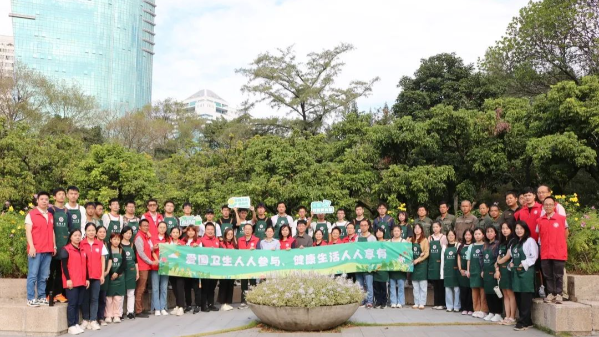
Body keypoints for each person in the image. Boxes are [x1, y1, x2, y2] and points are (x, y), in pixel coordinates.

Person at [25, 191, 55, 307]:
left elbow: (52, 231)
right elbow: (28, 231)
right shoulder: (31, 214)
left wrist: (54, 246)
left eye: (46, 199)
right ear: (37, 201)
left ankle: (42, 297)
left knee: (44, 276)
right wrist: (31, 246)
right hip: (36, 250)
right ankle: (31, 298)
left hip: (47, 250)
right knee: (33, 275)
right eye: (42, 199)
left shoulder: (50, 215)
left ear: (48, 202)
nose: (44, 201)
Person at [507, 222, 538, 331]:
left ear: (525, 229)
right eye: (516, 228)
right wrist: (510, 263)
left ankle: (523, 322)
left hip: (526, 274)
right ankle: (527, 321)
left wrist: (523, 263)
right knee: (518, 297)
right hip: (516, 273)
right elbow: (512, 257)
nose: (518, 230)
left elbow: (533, 257)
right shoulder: (514, 242)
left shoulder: (530, 241)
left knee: (525, 299)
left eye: (521, 228)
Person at [537, 196, 568, 304]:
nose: (548, 206)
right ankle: (550, 293)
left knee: (558, 274)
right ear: (543, 206)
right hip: (545, 251)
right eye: (546, 204)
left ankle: (559, 294)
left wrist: (560, 244)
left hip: (558, 251)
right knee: (548, 275)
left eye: (550, 204)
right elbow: (539, 235)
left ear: (554, 205)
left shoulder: (561, 218)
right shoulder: (540, 220)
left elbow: (566, 233)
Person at [60, 229, 89, 335]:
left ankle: (76, 323)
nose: (77, 237)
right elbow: (64, 267)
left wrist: (87, 279)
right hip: (71, 281)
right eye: (75, 235)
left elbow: (85, 265)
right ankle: (71, 325)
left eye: (79, 235)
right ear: (71, 237)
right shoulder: (66, 249)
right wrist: (68, 279)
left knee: (78, 303)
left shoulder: (82, 249)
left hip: (81, 281)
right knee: (72, 304)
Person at [47, 187, 72, 304]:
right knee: (50, 271)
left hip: (64, 246)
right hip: (52, 246)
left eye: (63, 194)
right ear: (54, 197)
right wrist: (52, 245)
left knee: (61, 271)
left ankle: (58, 293)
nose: (61, 196)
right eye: (59, 194)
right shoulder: (50, 210)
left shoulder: (67, 212)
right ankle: (48, 294)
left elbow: (71, 229)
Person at [80, 223, 105, 330]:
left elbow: (103, 259)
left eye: (93, 230)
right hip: (84, 276)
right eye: (89, 230)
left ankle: (93, 320)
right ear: (85, 231)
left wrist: (102, 274)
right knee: (85, 299)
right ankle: (85, 319)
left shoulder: (100, 244)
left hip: (96, 275)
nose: (91, 232)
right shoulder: (81, 244)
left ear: (95, 232)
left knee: (95, 298)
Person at [134, 219, 158, 318]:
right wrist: (151, 262)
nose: (146, 227)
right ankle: (138, 310)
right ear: (140, 227)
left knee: (143, 288)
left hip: (146, 266)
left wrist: (153, 248)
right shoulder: (139, 237)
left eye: (147, 226)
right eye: (144, 225)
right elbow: (141, 253)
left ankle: (142, 308)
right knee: (140, 288)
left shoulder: (145, 237)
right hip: (142, 266)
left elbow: (146, 249)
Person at [497, 222, 517, 325]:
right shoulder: (501, 242)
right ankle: (507, 316)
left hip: (508, 269)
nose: (505, 230)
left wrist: (499, 262)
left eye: (507, 228)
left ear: (511, 230)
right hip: (501, 270)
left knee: (510, 293)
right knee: (505, 293)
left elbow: (508, 256)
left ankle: (512, 317)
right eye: (503, 228)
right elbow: (499, 255)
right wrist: (497, 266)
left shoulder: (513, 241)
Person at [481, 226, 503, 322]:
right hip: (486, 271)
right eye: (488, 231)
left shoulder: (497, 244)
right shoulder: (485, 244)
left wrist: (497, 269)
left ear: (495, 233)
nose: (489, 233)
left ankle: (498, 313)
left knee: (495, 293)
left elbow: (498, 258)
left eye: (491, 231)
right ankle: (491, 312)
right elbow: (481, 258)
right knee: (488, 293)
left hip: (493, 272)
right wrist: (482, 269)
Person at [466, 227, 488, 319]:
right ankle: (476, 309)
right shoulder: (471, 246)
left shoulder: (486, 245)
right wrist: (468, 270)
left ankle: (483, 310)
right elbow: (468, 259)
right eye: (475, 234)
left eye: (479, 234)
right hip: (473, 271)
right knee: (474, 291)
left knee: (483, 291)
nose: (477, 236)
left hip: (482, 271)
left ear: (483, 235)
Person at [105, 233, 126, 323]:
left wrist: (117, 273)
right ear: (110, 240)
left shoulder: (122, 250)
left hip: (119, 277)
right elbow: (106, 263)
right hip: (109, 277)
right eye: (114, 239)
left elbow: (124, 264)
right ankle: (108, 315)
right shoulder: (107, 250)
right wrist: (111, 273)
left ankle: (117, 315)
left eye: (118, 239)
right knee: (109, 298)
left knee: (118, 298)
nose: (116, 241)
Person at [238, 223, 260, 309]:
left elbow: (259, 252)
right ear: (243, 230)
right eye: (246, 229)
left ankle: (253, 300)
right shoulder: (239, 239)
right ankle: (243, 301)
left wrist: (255, 250)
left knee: (253, 283)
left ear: (252, 231)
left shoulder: (257, 239)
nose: (247, 231)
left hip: (252, 265)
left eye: (249, 229)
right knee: (243, 283)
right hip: (243, 265)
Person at [200, 222, 221, 312]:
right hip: (205, 268)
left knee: (212, 287)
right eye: (208, 229)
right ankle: (203, 305)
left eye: (212, 229)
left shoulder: (217, 240)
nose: (210, 231)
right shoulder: (201, 240)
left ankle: (211, 304)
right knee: (205, 287)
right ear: (205, 230)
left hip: (215, 268)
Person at [355, 219, 376, 308]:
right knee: (359, 284)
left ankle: (369, 301)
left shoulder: (372, 238)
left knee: (368, 283)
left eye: (365, 225)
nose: (363, 227)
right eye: (362, 225)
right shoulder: (357, 237)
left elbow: (375, 251)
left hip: (368, 265)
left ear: (368, 226)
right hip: (359, 264)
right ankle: (362, 300)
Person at [181, 225, 201, 314]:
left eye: (192, 231)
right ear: (186, 232)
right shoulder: (182, 241)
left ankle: (197, 305)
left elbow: (201, 253)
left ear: (195, 232)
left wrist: (197, 248)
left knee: (196, 287)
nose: (190, 232)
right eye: (189, 231)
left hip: (195, 268)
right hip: (185, 268)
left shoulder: (198, 241)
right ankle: (188, 305)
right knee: (187, 287)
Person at [150, 221, 169, 316]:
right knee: (155, 288)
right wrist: (153, 248)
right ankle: (156, 308)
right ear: (157, 228)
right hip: (155, 266)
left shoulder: (168, 239)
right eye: (160, 227)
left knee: (164, 288)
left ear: (166, 229)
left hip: (165, 267)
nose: (162, 229)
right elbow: (150, 251)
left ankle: (163, 307)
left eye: (164, 227)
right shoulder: (153, 238)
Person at [120, 226, 138, 320]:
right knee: (121, 292)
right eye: (127, 233)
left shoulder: (132, 245)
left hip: (131, 270)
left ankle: (130, 312)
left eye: (130, 233)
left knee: (131, 292)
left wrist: (137, 272)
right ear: (122, 233)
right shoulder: (118, 244)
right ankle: (120, 312)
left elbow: (136, 261)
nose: (128, 235)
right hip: (121, 271)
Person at [428, 221, 447, 310]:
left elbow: (445, 251)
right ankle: (436, 303)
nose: (435, 229)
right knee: (435, 285)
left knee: (441, 284)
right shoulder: (430, 238)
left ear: (440, 228)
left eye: (437, 227)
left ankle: (442, 303)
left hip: (441, 264)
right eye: (434, 227)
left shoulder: (443, 238)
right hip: (432, 264)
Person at [167, 227, 185, 316]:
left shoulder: (182, 243)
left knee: (180, 287)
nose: (175, 234)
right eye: (173, 232)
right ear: (170, 234)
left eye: (177, 232)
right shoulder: (167, 243)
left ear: (180, 234)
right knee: (174, 287)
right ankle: (178, 305)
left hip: (180, 269)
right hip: (171, 269)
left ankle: (182, 307)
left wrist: (181, 248)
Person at [411, 223, 429, 310]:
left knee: (423, 285)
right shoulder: (411, 239)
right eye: (415, 228)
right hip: (413, 265)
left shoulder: (424, 240)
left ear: (421, 229)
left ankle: (422, 303)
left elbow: (426, 253)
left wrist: (418, 260)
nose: (417, 230)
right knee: (415, 285)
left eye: (418, 228)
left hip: (422, 265)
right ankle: (416, 302)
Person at [441, 230, 460, 312]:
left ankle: (457, 306)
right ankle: (449, 306)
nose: (451, 237)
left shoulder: (458, 245)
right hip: (447, 270)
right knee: (448, 289)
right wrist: (442, 273)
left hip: (456, 270)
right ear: (447, 237)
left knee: (457, 289)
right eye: (449, 235)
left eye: (452, 235)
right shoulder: (444, 246)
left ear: (455, 236)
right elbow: (442, 260)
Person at [389, 226, 407, 308]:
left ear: (401, 232)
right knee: (392, 286)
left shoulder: (404, 241)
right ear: (392, 232)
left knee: (400, 286)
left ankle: (400, 302)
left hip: (401, 267)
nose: (396, 232)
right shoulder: (389, 242)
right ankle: (393, 302)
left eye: (398, 231)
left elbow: (407, 254)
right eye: (395, 231)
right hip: (391, 267)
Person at [220, 228, 237, 311]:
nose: (230, 235)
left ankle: (228, 302)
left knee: (230, 285)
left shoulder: (234, 244)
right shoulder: (221, 243)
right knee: (223, 285)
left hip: (232, 268)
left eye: (231, 234)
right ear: (225, 234)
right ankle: (223, 303)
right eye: (228, 234)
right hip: (223, 268)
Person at [457, 229, 474, 315]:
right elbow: (459, 258)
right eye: (466, 235)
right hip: (462, 271)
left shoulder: (474, 245)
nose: (467, 236)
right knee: (463, 290)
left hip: (471, 271)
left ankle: (470, 308)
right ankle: (463, 308)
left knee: (470, 291)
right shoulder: (461, 246)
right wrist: (460, 269)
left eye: (469, 235)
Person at [96, 226, 110, 326]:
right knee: (94, 297)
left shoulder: (106, 244)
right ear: (96, 233)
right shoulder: (94, 244)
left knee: (102, 297)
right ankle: (92, 318)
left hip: (105, 275)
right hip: (95, 274)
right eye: (100, 232)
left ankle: (101, 317)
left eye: (104, 232)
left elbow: (110, 259)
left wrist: (107, 271)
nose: (102, 234)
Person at [373, 227, 389, 309]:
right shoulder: (373, 243)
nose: (379, 233)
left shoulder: (387, 242)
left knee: (383, 286)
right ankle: (378, 301)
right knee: (376, 286)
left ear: (383, 233)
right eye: (377, 232)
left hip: (384, 268)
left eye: (380, 232)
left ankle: (384, 302)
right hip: (375, 268)